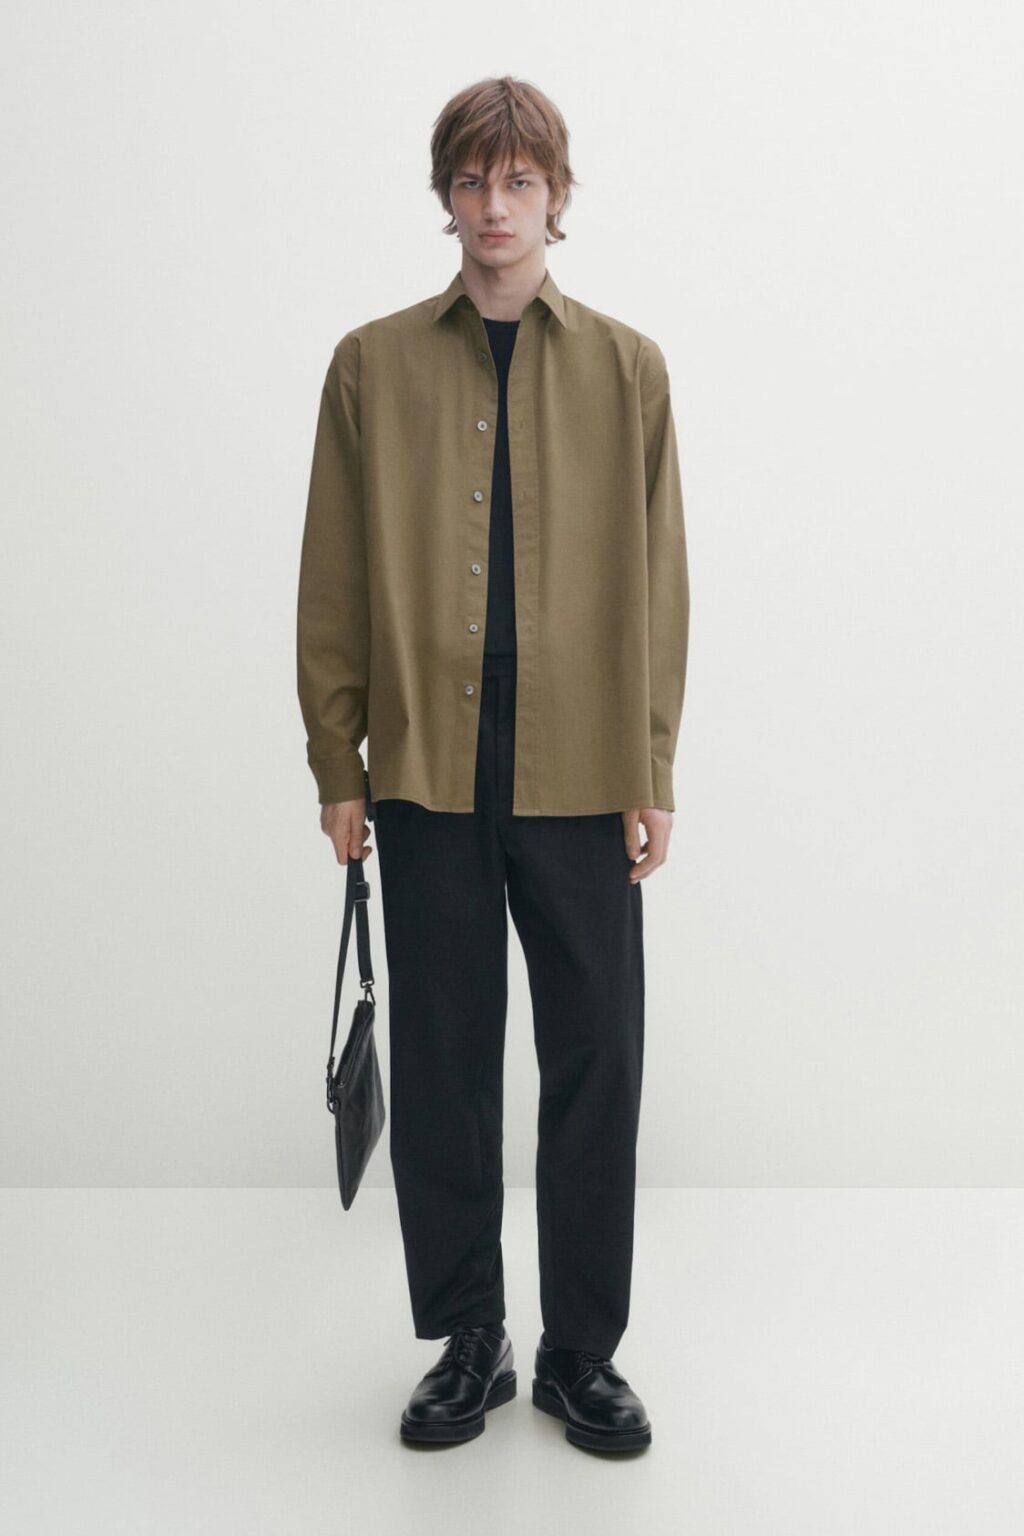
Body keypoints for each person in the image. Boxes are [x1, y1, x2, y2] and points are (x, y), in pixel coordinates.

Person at [296, 74, 689, 1453]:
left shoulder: (629, 369)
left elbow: (661, 584)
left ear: (556, 196)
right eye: (473, 179)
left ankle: (582, 1352)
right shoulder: (371, 364)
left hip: (583, 762)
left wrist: (651, 765)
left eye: (521, 180)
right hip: (426, 763)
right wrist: (337, 761)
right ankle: (472, 1337)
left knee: (597, 1056)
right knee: (448, 1061)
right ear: (446, 195)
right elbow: (332, 578)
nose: (496, 205)